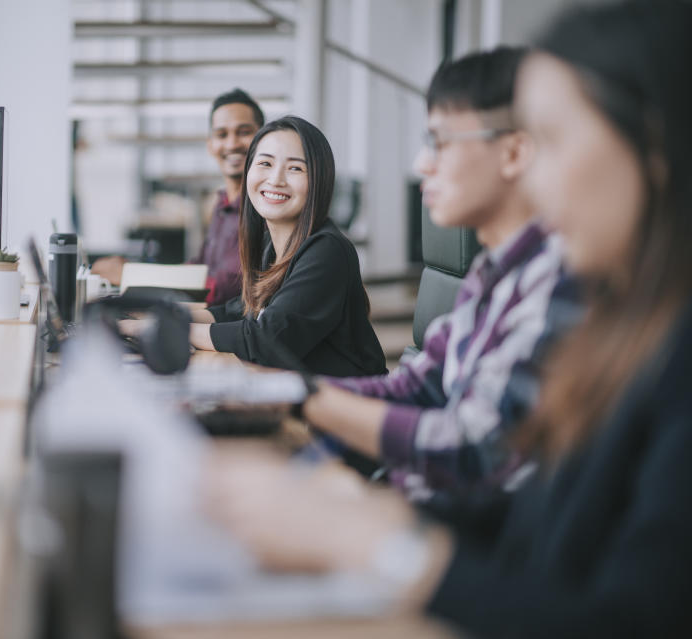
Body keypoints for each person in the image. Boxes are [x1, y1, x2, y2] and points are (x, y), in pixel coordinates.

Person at [206, 2, 692, 636]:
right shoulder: (624, 327)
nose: (531, 179)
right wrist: (361, 519)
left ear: (654, 149)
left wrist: (380, 545)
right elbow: (532, 521)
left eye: (549, 142)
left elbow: (626, 617)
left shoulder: (657, 350)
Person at [300, 47, 581, 501]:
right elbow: (420, 383)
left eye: (440, 142)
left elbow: (477, 446)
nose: (421, 164)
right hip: (418, 504)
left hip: (469, 541)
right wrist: (288, 390)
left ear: (513, 152)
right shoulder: (491, 269)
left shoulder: (559, 280)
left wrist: (307, 403)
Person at [186, 116, 387, 377]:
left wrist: (172, 330)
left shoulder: (327, 250)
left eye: (295, 168)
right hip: (305, 400)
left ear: (318, 181)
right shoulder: (273, 245)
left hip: (347, 408)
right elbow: (238, 311)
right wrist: (158, 314)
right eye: (265, 163)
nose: (276, 179)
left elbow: (266, 341)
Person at [91, 88, 263, 306]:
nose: (232, 144)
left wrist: (132, 275)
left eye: (244, 132)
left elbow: (227, 287)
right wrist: (137, 269)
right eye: (222, 134)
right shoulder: (221, 204)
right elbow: (200, 268)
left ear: (262, 139)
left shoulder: (264, 208)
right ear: (210, 145)